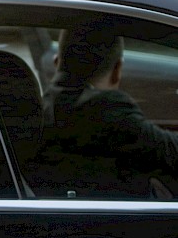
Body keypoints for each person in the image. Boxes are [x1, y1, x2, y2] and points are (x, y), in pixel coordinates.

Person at [29, 20, 178, 197]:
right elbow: (170, 152)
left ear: (56, 63)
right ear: (117, 70)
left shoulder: (39, 112)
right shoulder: (108, 111)